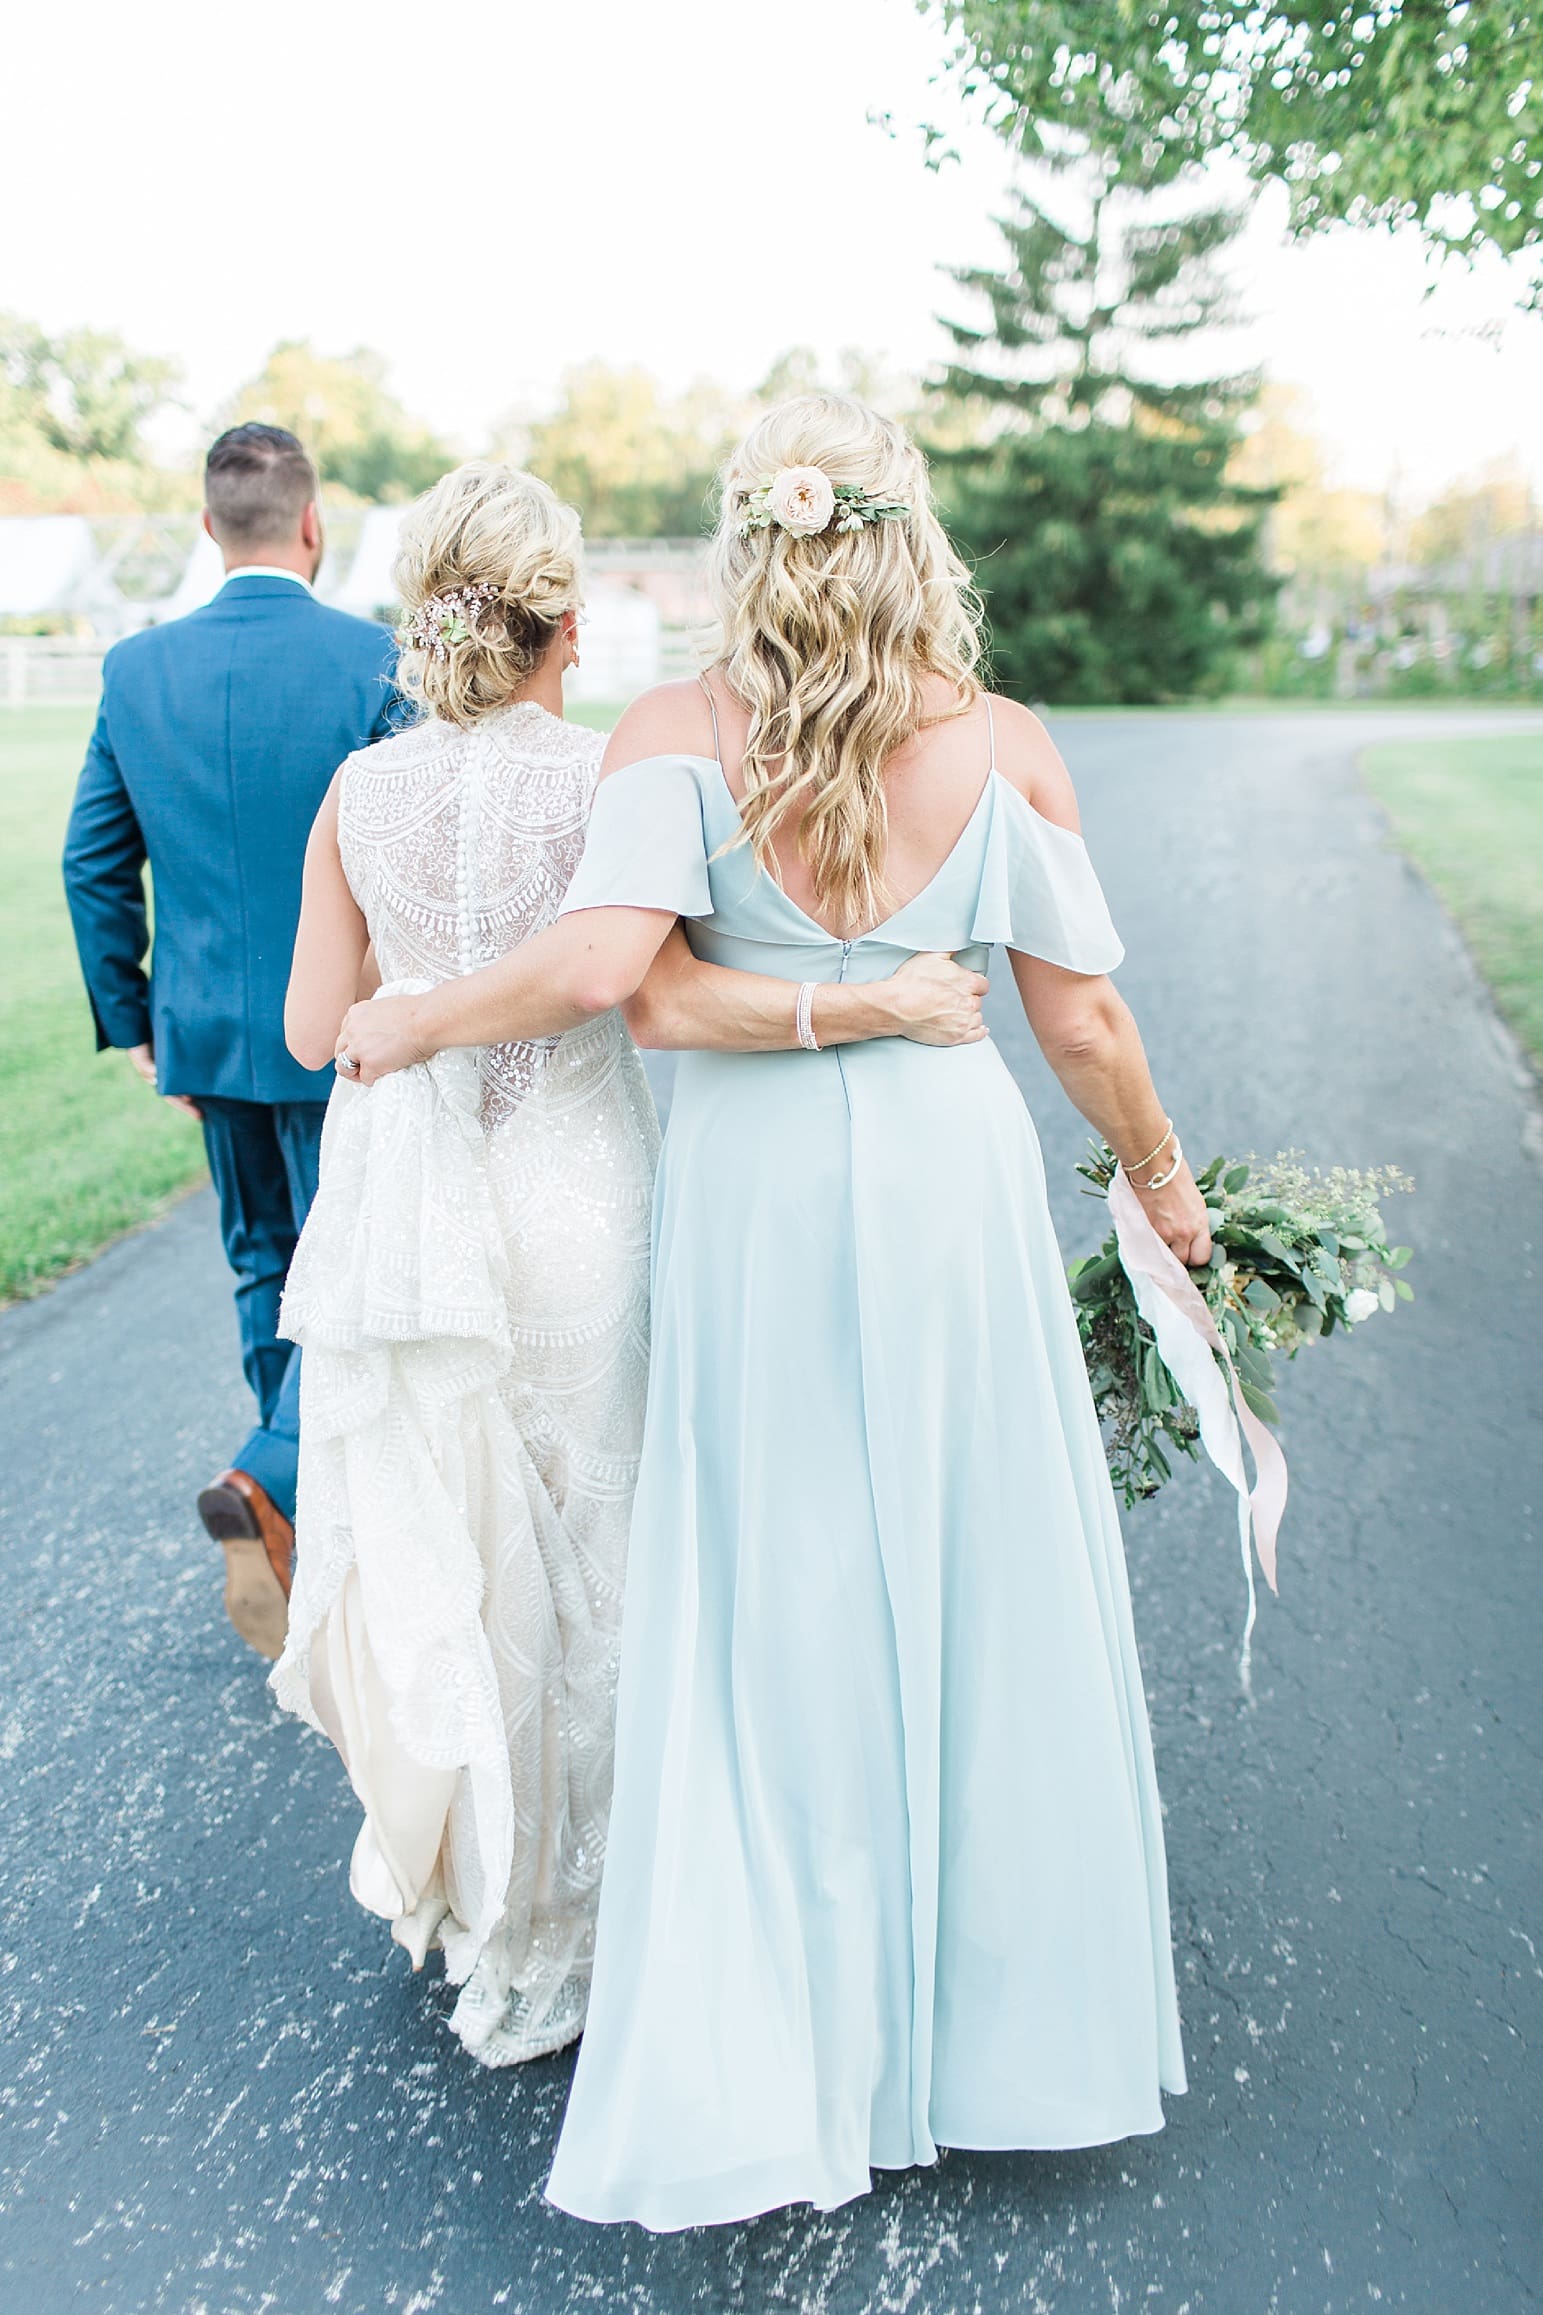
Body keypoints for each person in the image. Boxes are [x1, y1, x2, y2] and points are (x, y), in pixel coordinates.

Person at [334, 397, 1213, 2228]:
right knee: (966, 1569)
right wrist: (1159, 1176)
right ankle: (984, 2033)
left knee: (768, 1590)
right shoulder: (1005, 746)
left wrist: (419, 1022)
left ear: (753, 544)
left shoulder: (668, 737)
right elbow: (1080, 1026)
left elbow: (640, 1001)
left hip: (745, 1197)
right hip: (940, 1188)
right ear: (911, 543)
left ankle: (779, 2025)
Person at [271, 460, 988, 2066]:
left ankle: (478, 1898)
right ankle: (593, 1917)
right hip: (577, 1187)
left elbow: (322, 1031)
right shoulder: (613, 774)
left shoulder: (354, 797)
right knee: (598, 1536)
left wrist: (411, 984)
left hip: (426, 1207)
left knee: (453, 1534)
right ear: (564, 624)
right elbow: (635, 982)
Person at [62, 424, 399, 1661]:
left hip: (204, 1028)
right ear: (312, 524)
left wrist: (139, 1019)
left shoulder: (135, 669)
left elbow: (92, 860)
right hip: (348, 1028)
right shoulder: (372, 658)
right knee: (349, 1266)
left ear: (211, 528)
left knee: (265, 1259)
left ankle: (284, 1500)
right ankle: (279, 1480)